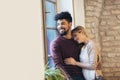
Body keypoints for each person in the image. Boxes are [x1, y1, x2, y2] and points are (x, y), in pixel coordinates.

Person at [50, 12, 85, 80]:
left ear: (70, 24)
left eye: (63, 23)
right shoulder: (56, 43)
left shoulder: (78, 39)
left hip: (85, 74)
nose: (60, 26)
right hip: (70, 77)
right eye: (58, 24)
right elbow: (58, 66)